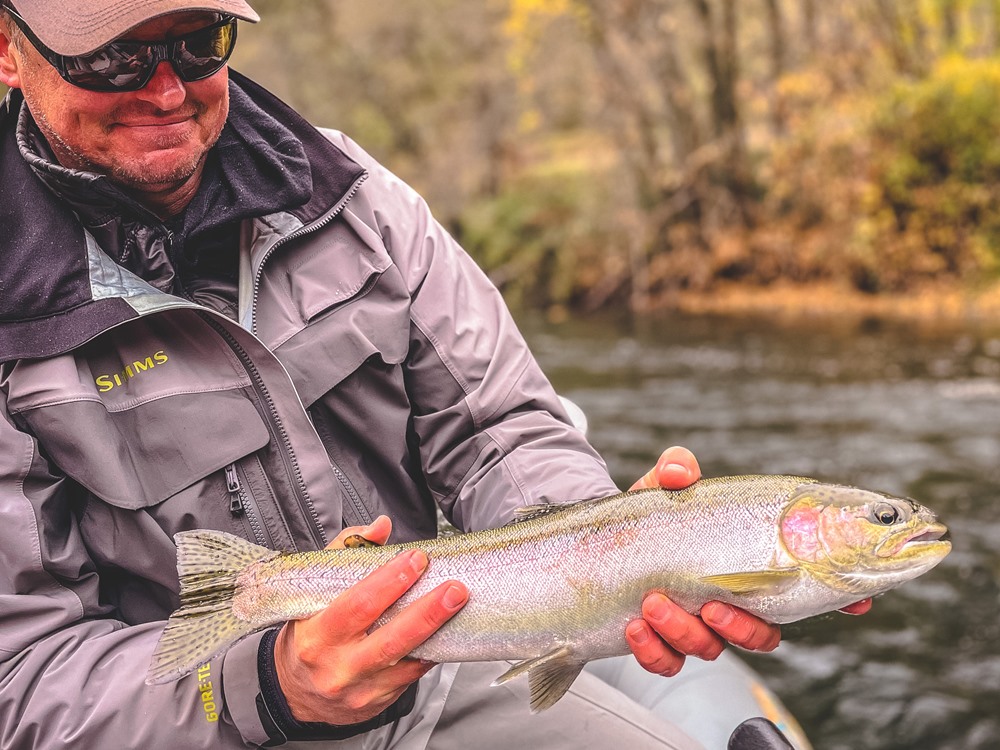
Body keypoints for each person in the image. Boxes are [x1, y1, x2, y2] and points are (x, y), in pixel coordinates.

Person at [0, 2, 869, 747]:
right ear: (9, 51)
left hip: (433, 685)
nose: (165, 89)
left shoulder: (351, 196)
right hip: (183, 721)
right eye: (114, 56)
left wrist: (600, 543)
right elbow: (21, 677)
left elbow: (501, 429)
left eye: (199, 44)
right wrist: (267, 684)